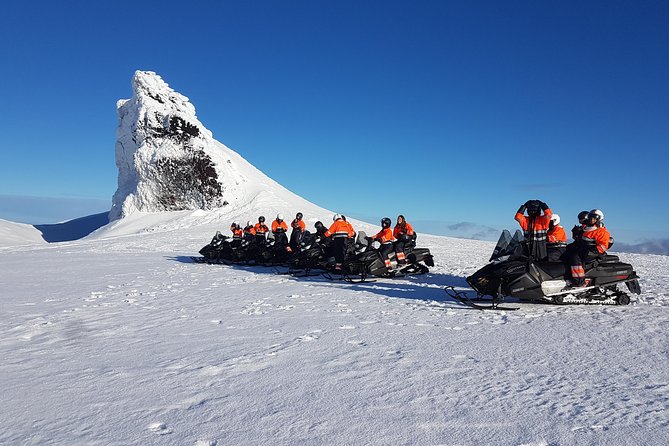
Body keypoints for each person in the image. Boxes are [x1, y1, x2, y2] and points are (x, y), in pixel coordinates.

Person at [569, 209, 611, 287]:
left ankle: (580, 281)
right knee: (568, 250)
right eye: (590, 217)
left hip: (593, 252)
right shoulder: (587, 229)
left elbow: (604, 246)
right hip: (584, 249)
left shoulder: (601, 232)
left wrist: (594, 250)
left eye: (594, 218)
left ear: (599, 219)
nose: (592, 220)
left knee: (575, 258)